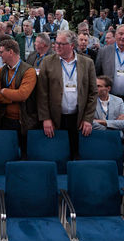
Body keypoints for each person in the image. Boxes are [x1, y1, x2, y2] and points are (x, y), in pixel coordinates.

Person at [36, 30, 97, 159]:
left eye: (61, 44)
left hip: (78, 119)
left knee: (76, 154)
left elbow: (93, 93)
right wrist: (45, 118)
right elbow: (42, 93)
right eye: (56, 43)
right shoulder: (47, 62)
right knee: (57, 155)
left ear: (72, 45)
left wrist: (88, 119)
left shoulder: (87, 63)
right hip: (55, 118)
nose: (57, 46)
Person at [0, 36, 36, 155]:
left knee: (25, 155)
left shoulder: (29, 71)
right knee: (6, 154)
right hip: (5, 120)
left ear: (11, 52)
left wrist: (4, 91)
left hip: (24, 121)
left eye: (2, 52)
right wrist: (12, 98)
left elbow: (22, 95)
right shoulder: (0, 72)